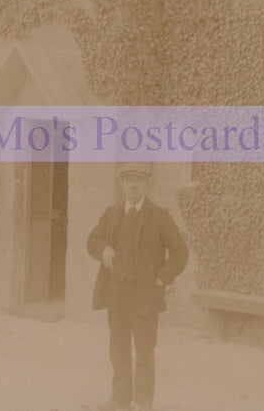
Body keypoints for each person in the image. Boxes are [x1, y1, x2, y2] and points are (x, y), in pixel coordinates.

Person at [87, 162, 189, 411]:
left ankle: (143, 403)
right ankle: (120, 400)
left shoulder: (159, 216)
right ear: (122, 185)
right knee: (118, 348)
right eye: (129, 180)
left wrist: (162, 278)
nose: (134, 185)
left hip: (145, 295)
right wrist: (104, 250)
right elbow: (92, 240)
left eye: (139, 180)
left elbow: (180, 252)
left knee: (144, 349)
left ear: (145, 185)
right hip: (117, 294)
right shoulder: (112, 213)